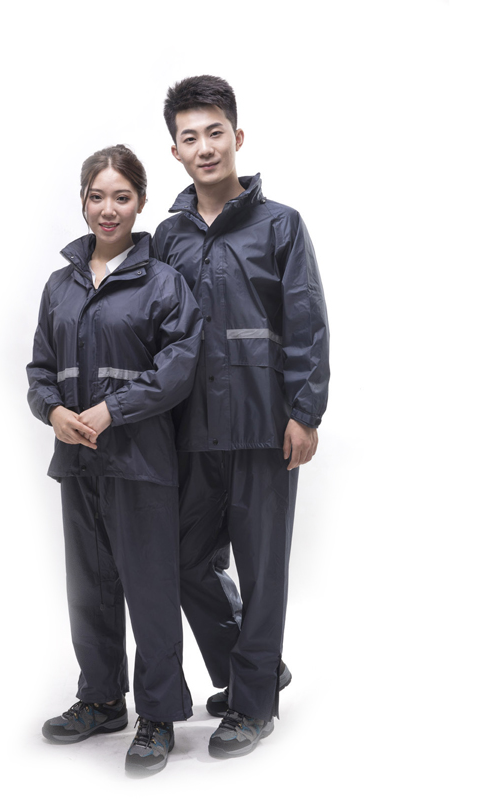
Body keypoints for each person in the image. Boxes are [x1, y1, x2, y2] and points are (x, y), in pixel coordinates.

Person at [152, 76, 330, 758]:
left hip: (264, 426)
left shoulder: (279, 224)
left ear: (238, 137)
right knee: (183, 559)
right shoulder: (167, 238)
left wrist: (305, 412)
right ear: (175, 151)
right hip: (190, 430)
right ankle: (254, 668)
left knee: (262, 569)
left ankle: (252, 706)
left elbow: (306, 319)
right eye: (189, 137)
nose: (205, 147)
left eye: (215, 132)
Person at [27, 144, 203, 776]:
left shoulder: (163, 282)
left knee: (150, 589)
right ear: (82, 201)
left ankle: (158, 715)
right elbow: (40, 369)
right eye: (97, 196)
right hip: (77, 462)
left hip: (140, 460)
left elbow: (179, 367)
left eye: (121, 197)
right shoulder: (61, 285)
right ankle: (101, 699)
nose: (108, 209)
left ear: (141, 202)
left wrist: (112, 410)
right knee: (90, 589)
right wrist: (53, 412)